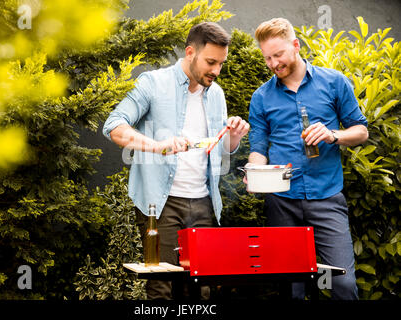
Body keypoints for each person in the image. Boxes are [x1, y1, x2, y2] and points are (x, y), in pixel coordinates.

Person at [103, 22, 249, 300]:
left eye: (221, 63)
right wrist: (157, 146)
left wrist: (234, 136)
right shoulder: (153, 83)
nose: (216, 71)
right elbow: (114, 125)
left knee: (201, 292)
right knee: (162, 289)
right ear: (190, 52)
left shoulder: (216, 93)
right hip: (161, 203)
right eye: (210, 62)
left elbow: (221, 151)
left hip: (204, 203)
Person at [245, 18, 368, 300]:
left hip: (326, 198)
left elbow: (361, 131)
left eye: (278, 55)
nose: (274, 63)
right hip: (282, 201)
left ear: (296, 46)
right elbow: (259, 147)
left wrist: (332, 135)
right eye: (267, 58)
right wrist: (254, 173)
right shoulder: (262, 97)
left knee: (341, 284)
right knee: (293, 289)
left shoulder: (334, 82)